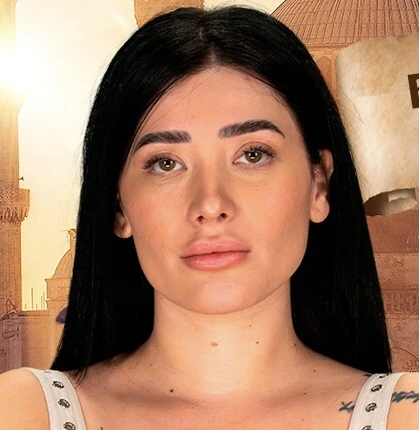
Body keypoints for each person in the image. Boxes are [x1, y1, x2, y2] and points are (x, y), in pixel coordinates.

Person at [1, 6, 417, 429]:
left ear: (319, 185)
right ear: (118, 206)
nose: (211, 203)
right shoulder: (23, 412)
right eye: (165, 163)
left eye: (253, 155)